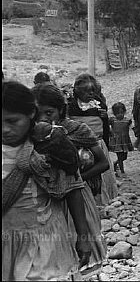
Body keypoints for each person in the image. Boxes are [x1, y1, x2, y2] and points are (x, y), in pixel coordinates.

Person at [2, 80, 91, 280]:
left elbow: (73, 188)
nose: (5, 129)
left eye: (12, 121)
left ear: (31, 114)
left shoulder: (52, 144)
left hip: (45, 241)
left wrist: (83, 237)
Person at [31, 82, 108, 278]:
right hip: (47, 203)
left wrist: (77, 177)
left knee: (80, 253)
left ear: (61, 110)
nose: (43, 119)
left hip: (76, 199)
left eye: (49, 113)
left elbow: (103, 162)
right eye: (36, 113)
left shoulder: (76, 129)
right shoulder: (31, 134)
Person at [67, 73, 118, 206]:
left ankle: (99, 203)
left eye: (92, 91)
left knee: (100, 177)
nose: (90, 94)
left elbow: (105, 127)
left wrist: (104, 118)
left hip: (98, 145)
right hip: (79, 148)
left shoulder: (99, 104)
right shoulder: (72, 106)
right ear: (77, 91)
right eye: (86, 91)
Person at [109, 102, 134, 175]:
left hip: (125, 141)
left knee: (124, 157)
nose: (120, 114)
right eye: (118, 113)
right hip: (116, 141)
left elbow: (132, 127)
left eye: (121, 112)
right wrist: (110, 132)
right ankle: (122, 170)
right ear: (114, 113)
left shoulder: (127, 120)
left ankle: (115, 163)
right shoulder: (112, 120)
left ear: (124, 112)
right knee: (120, 156)